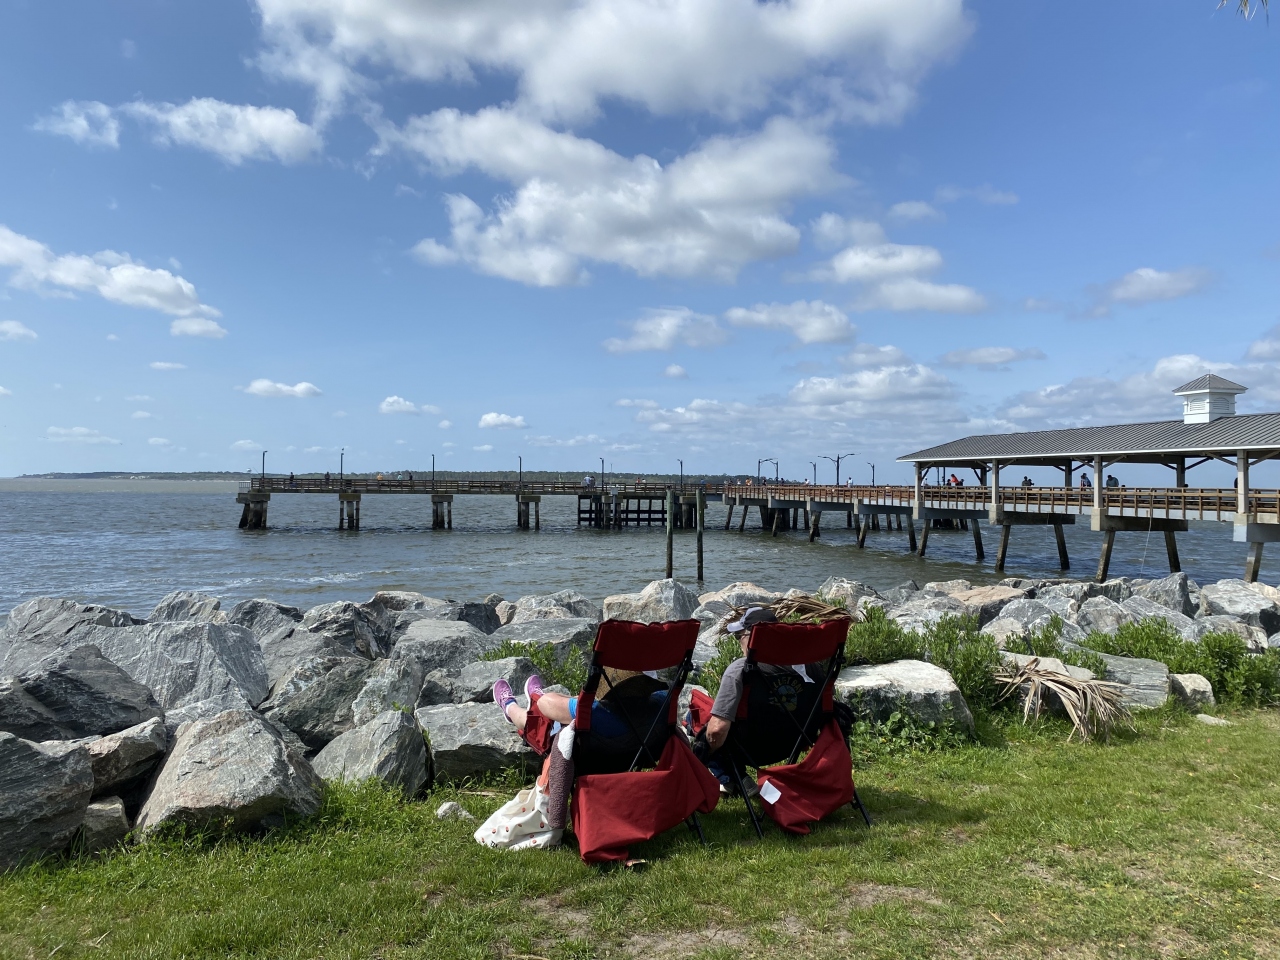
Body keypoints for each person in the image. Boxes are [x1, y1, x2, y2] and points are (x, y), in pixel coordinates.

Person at [696, 607, 829, 792]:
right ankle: (737, 779)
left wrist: (703, 754)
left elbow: (717, 730)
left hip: (752, 749)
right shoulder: (812, 667)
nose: (739, 642)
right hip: (794, 743)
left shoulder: (740, 670)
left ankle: (734, 776)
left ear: (752, 638)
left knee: (697, 716)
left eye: (739, 636)